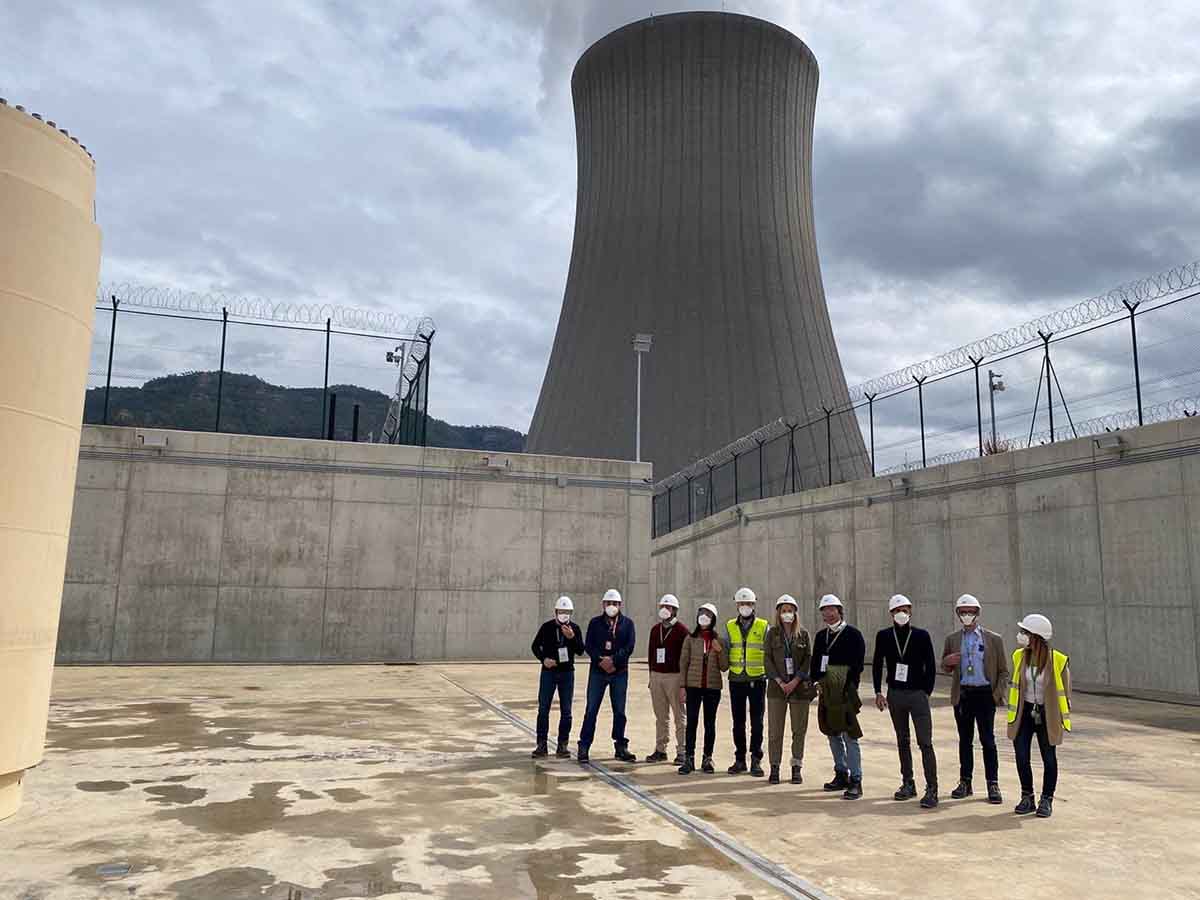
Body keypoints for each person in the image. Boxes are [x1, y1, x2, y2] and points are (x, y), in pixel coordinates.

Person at [872, 594, 939, 808]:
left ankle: (932, 788)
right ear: (891, 614)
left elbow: (930, 665)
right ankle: (908, 783)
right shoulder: (884, 636)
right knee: (902, 741)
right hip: (895, 694)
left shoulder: (921, 635)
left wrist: (926, 692)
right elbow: (876, 664)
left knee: (925, 742)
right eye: (897, 610)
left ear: (910, 610)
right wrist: (878, 691)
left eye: (905, 609)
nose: (901, 613)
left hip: (917, 694)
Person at [942, 593, 1008, 804]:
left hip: (984, 694)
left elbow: (1003, 672)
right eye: (963, 612)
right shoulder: (953, 639)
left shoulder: (993, 639)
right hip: (963, 694)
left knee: (988, 740)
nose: (967, 615)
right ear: (958, 615)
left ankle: (993, 784)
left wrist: (996, 695)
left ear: (978, 613)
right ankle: (965, 782)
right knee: (965, 740)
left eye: (970, 612)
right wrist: (947, 661)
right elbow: (944, 667)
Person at [1008, 613, 1071, 818]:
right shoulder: (1019, 656)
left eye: (1025, 632)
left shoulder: (1058, 660)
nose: (1021, 636)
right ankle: (1027, 796)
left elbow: (1065, 693)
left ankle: (1046, 799)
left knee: (1049, 758)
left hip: (1047, 714)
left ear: (1036, 636)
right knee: (1021, 755)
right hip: (1024, 712)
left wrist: (1061, 718)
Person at [810, 593, 866, 799]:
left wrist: (846, 685)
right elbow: (815, 664)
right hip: (826, 691)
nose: (828, 613)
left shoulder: (853, 634)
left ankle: (856, 780)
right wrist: (817, 681)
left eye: (832, 609)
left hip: (845, 692)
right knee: (832, 732)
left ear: (839, 611)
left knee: (849, 735)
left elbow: (858, 665)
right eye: (825, 610)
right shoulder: (820, 637)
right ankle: (840, 773)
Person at [577, 588, 638, 765]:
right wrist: (600, 660)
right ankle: (584, 746)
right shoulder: (595, 623)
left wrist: (613, 660)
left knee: (619, 711)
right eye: (609, 603)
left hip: (619, 672)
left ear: (620, 605)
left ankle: (620, 746)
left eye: (615, 604)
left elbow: (629, 647)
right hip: (598, 672)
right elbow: (589, 645)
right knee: (591, 709)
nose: (612, 606)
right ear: (603, 604)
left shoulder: (628, 624)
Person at [764, 594, 815, 784]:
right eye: (783, 610)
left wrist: (795, 681)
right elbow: (767, 659)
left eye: (790, 610)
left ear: (795, 613)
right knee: (775, 731)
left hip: (799, 689)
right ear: (778, 613)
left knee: (798, 730)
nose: (787, 614)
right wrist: (779, 681)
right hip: (777, 689)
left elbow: (808, 659)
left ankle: (796, 766)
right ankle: (774, 767)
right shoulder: (772, 633)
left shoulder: (803, 634)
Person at [530, 595, 586, 758]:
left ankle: (562, 745)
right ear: (555, 612)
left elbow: (581, 650)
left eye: (567, 612)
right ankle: (541, 745)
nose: (564, 614)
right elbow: (534, 646)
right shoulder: (546, 627)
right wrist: (543, 659)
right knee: (543, 708)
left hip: (567, 673)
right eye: (561, 611)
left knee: (566, 710)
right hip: (548, 673)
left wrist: (571, 638)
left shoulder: (574, 628)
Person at [677, 603, 728, 775]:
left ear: (713, 619)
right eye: (701, 613)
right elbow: (683, 663)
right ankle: (689, 758)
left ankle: (707, 758)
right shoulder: (690, 639)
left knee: (709, 723)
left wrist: (720, 651)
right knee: (691, 722)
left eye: (707, 614)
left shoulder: (718, 639)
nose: (704, 616)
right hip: (693, 687)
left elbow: (724, 667)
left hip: (712, 688)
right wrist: (682, 686)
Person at [725, 587, 769, 777]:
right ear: (737, 605)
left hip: (757, 679)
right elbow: (724, 650)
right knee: (738, 722)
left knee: (757, 722)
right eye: (742, 604)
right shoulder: (729, 626)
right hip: (736, 679)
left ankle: (756, 759)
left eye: (748, 604)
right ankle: (740, 759)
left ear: (754, 605)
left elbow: (770, 653)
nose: (745, 607)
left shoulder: (763, 626)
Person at [645, 593, 689, 764]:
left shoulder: (682, 631)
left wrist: (683, 684)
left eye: (668, 607)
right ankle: (660, 749)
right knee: (661, 716)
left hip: (675, 677)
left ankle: (682, 751)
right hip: (657, 676)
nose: (664, 610)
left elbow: (686, 659)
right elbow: (650, 654)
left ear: (675, 610)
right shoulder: (655, 630)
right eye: (662, 607)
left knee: (679, 715)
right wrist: (651, 676)